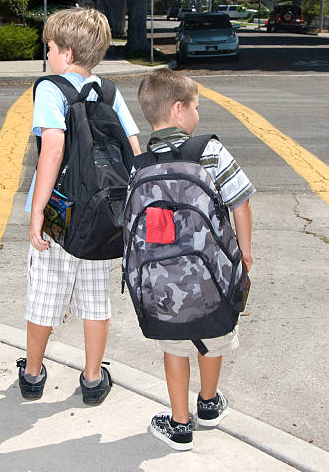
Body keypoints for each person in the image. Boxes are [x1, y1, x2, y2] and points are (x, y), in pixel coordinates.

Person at [17, 8, 140, 405]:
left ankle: (33, 374)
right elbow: (133, 149)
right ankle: (91, 379)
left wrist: (37, 213)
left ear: (66, 53)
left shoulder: (50, 88)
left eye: (49, 48)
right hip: (102, 214)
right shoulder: (109, 91)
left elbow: (52, 149)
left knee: (44, 295)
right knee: (95, 298)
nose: (47, 55)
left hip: (60, 213)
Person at [136, 68, 255, 450]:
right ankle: (208, 403)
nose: (198, 115)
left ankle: (179, 423)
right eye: (196, 107)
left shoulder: (139, 166)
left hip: (163, 283)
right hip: (213, 274)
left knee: (175, 346)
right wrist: (245, 251)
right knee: (213, 337)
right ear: (178, 110)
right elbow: (240, 201)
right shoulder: (210, 151)